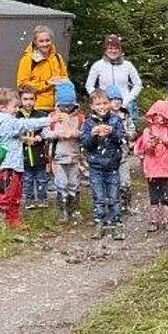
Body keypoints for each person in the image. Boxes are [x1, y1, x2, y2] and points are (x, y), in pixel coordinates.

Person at [0, 89, 51, 232]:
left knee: (15, 196)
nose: (17, 109)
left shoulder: (2, 120)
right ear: (3, 107)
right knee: (6, 196)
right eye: (14, 106)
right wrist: (50, 120)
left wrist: (22, 138)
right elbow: (26, 124)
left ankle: (13, 220)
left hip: (14, 165)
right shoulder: (7, 120)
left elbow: (9, 137)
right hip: (8, 166)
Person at [81, 89, 126, 239]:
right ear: (92, 106)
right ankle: (99, 223)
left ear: (110, 103)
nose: (102, 107)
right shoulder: (88, 123)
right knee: (98, 197)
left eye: (105, 103)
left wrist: (112, 133)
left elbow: (121, 139)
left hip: (112, 165)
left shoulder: (116, 120)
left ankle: (116, 224)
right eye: (98, 104)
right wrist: (92, 135)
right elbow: (85, 144)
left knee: (114, 196)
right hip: (95, 166)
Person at [135, 100, 168, 232]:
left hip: (166, 168)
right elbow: (144, 149)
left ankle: (166, 219)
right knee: (153, 195)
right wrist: (151, 145)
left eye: (163, 115)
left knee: (166, 195)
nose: (160, 118)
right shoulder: (148, 131)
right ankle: (153, 220)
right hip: (152, 168)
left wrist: (166, 142)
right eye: (157, 115)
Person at [45, 81, 85, 222]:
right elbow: (45, 133)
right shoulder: (52, 117)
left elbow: (85, 133)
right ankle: (62, 210)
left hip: (74, 156)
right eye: (64, 106)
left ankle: (74, 209)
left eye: (70, 105)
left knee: (74, 182)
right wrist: (56, 134)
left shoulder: (79, 117)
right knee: (61, 182)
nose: (67, 109)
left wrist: (76, 133)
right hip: (58, 156)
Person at [84, 34, 143, 123]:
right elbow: (89, 85)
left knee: (126, 129)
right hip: (104, 107)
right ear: (105, 50)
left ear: (120, 50)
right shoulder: (98, 65)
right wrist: (99, 100)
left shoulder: (128, 65)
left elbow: (138, 84)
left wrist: (128, 99)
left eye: (116, 48)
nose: (113, 51)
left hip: (124, 106)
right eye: (110, 48)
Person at [16, 25, 68, 113]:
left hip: (58, 106)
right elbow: (22, 85)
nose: (45, 44)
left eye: (47, 40)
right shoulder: (28, 59)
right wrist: (47, 83)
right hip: (36, 107)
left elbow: (65, 78)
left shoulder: (57, 57)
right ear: (35, 42)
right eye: (41, 41)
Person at [105, 84, 137, 212]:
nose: (117, 102)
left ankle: (126, 205)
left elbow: (132, 130)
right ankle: (112, 206)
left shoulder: (125, 115)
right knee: (111, 182)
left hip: (123, 153)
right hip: (108, 155)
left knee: (125, 181)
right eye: (113, 99)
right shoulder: (104, 117)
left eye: (119, 99)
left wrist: (129, 134)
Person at [16, 85, 49, 209]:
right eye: (25, 99)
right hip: (23, 153)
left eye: (31, 99)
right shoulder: (17, 116)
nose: (28, 102)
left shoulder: (41, 115)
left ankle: (42, 198)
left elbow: (46, 130)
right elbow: (14, 132)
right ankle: (29, 199)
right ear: (20, 100)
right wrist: (23, 138)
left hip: (38, 151)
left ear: (35, 100)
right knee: (27, 178)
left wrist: (40, 136)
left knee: (41, 177)